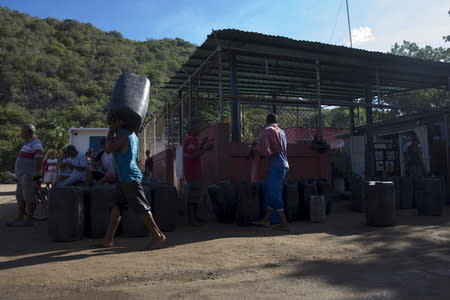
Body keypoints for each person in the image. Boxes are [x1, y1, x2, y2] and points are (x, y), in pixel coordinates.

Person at [96, 117, 165, 250]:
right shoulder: (131, 135)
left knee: (141, 207)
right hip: (123, 178)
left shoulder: (123, 136)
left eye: (112, 122)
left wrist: (111, 131)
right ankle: (108, 239)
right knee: (117, 206)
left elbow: (108, 148)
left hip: (129, 178)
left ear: (119, 122)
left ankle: (158, 235)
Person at [251, 113, 290, 231]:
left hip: (276, 167)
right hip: (285, 166)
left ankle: (284, 222)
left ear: (267, 121)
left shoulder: (267, 131)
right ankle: (266, 220)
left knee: (274, 194)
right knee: (273, 194)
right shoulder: (282, 132)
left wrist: (255, 150)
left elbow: (267, 151)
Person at [5, 124, 44, 227]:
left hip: (28, 176)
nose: (21, 133)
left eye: (23, 131)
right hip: (21, 176)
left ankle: (29, 220)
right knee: (20, 198)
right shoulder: (28, 144)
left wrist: (36, 173)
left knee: (29, 197)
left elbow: (39, 158)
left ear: (29, 132)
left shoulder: (36, 143)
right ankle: (19, 218)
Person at [183, 121, 213, 226]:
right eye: (198, 129)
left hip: (193, 172)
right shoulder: (190, 140)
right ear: (193, 130)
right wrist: (205, 148)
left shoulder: (192, 140)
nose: (200, 131)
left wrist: (203, 144)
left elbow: (195, 151)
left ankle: (195, 218)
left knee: (195, 196)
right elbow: (193, 156)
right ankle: (192, 220)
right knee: (192, 197)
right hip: (191, 173)